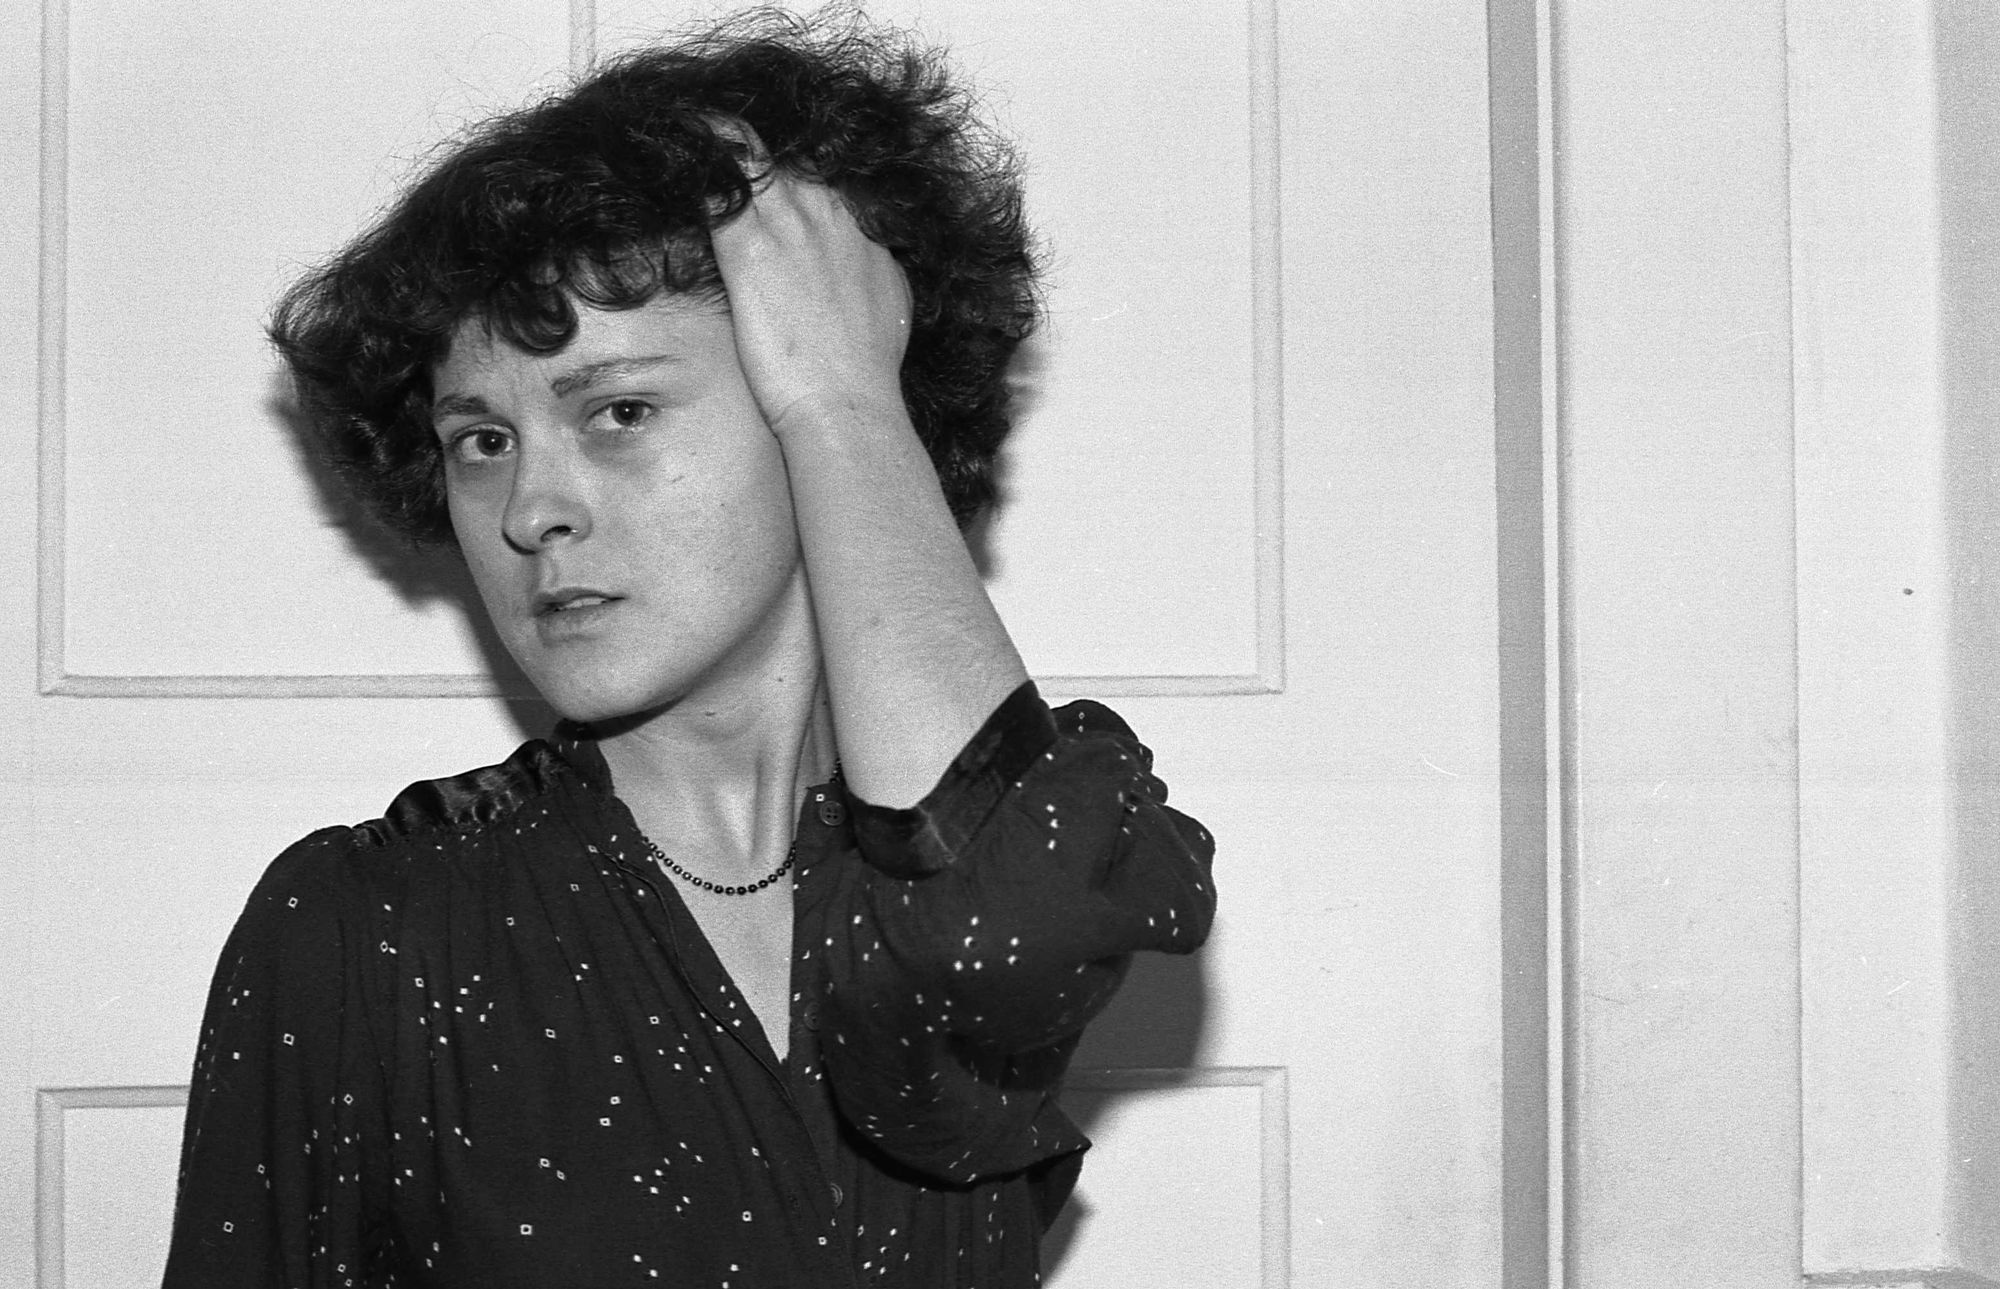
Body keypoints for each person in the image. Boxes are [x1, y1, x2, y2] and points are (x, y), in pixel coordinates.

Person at [161, 10, 1215, 1287]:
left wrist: (845, 403)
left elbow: (989, 930)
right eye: (481, 439)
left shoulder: (983, 849)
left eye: (618, 409)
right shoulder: (363, 927)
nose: (528, 508)